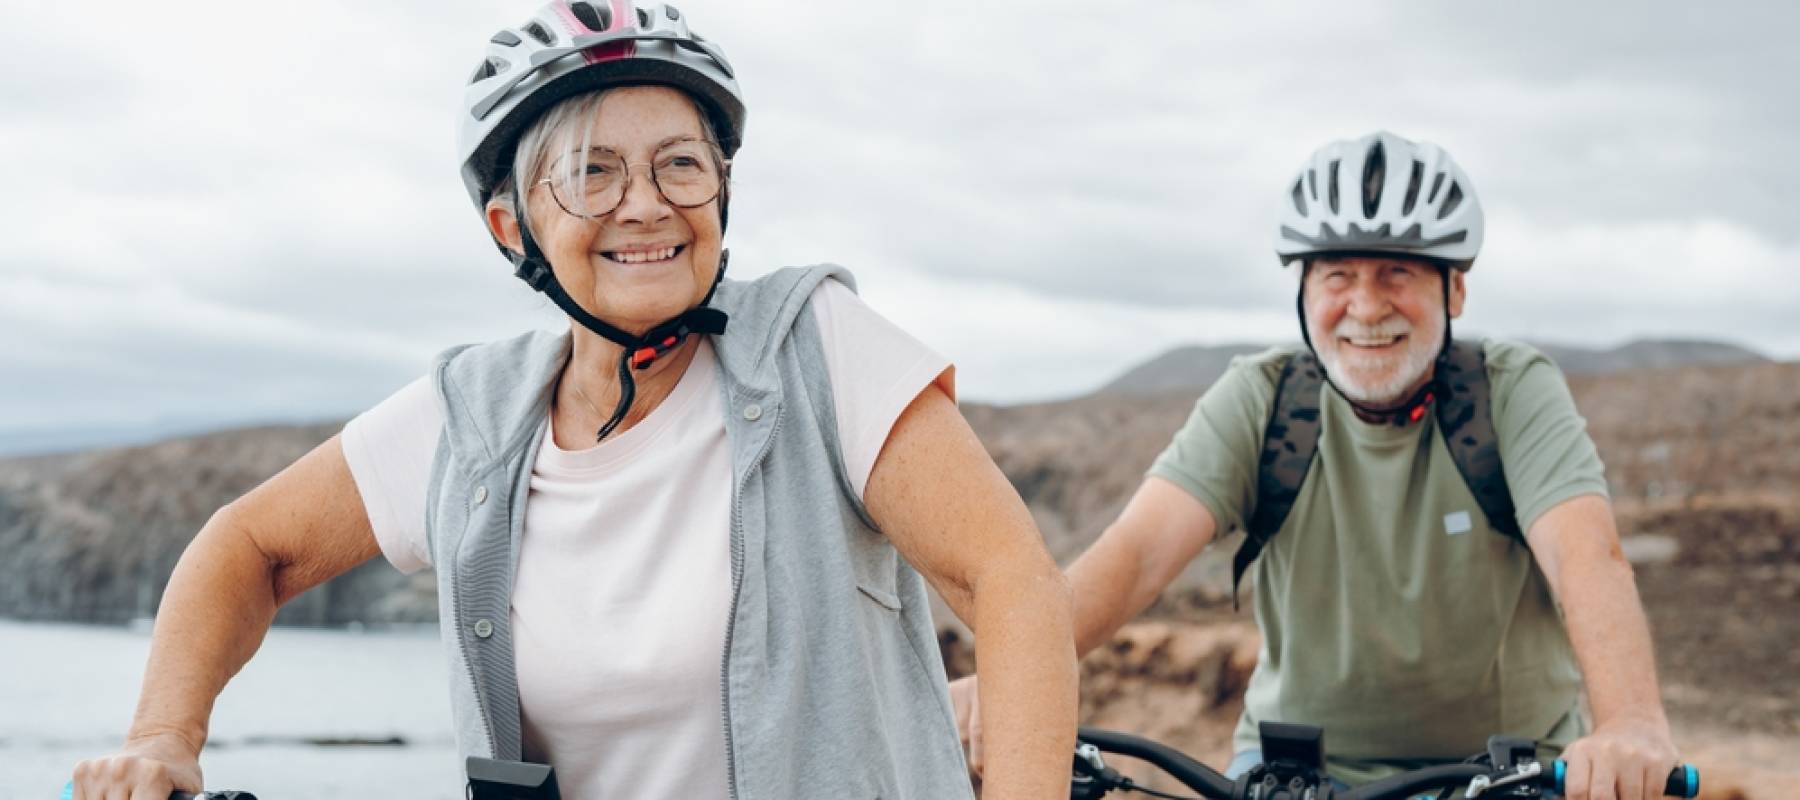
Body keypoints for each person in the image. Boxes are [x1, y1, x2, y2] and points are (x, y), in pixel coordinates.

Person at [70, 3, 1076, 798]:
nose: (645, 204)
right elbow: (250, 545)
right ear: (512, 227)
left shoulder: (816, 346)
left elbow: (1009, 579)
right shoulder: (474, 413)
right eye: (590, 174)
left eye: (679, 163)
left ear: (722, 188)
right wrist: (163, 738)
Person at [952, 131, 1679, 800]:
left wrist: (1632, 724)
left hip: (1503, 769)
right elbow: (1138, 555)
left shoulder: (1512, 390)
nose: (1365, 305)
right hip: (1290, 774)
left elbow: (1588, 558)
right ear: (1304, 289)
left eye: (1397, 271)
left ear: (1454, 289)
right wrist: (1010, 675)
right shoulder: (1264, 400)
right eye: (1337, 274)